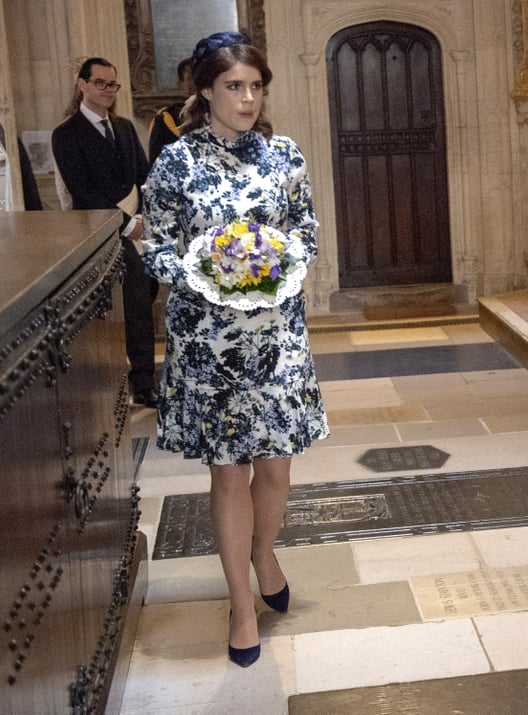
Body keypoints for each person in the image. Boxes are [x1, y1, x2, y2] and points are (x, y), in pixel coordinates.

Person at [140, 31, 329, 668]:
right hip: (210, 340)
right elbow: (156, 247)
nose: (248, 98)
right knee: (230, 471)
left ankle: (265, 552)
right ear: (205, 90)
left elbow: (305, 231)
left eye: (256, 86)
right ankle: (241, 603)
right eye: (234, 87)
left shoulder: (285, 155)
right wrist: (209, 272)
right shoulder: (177, 162)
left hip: (276, 335)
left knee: (275, 467)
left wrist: (279, 261)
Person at [52, 57, 160, 408]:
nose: (107, 90)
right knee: (134, 293)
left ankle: (141, 375)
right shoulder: (66, 134)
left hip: (136, 223)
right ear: (82, 84)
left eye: (112, 85)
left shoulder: (126, 127)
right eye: (100, 83)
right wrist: (127, 224)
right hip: (99, 230)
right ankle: (141, 381)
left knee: (148, 291)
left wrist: (144, 217)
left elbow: (144, 177)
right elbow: (82, 190)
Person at [147, 57, 194, 165]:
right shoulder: (167, 118)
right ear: (180, 84)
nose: (196, 83)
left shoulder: (222, 115)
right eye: (190, 78)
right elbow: (157, 163)